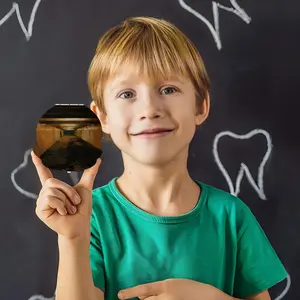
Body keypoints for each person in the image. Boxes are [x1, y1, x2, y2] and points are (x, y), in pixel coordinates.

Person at [31, 16, 287, 300]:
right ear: (102, 117)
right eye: (127, 93)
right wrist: (72, 239)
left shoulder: (231, 217)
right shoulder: (91, 217)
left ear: (200, 105)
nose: (149, 109)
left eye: (168, 89)